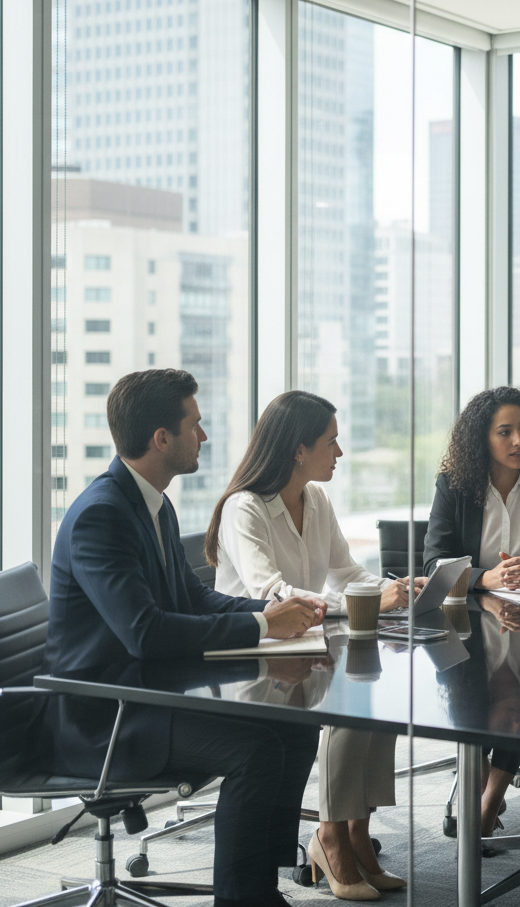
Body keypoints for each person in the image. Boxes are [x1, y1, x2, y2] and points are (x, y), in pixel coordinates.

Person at [42, 369, 326, 907]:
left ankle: (258, 887)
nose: (206, 436)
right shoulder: (101, 516)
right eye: (195, 425)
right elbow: (146, 633)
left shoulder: (153, 504)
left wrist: (271, 611)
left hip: (150, 693)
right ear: (161, 438)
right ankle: (243, 900)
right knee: (256, 748)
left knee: (292, 724)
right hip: (105, 716)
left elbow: (191, 600)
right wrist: (265, 626)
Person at [208, 390, 422, 901]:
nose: (339, 453)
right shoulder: (246, 508)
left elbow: (345, 573)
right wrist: (371, 598)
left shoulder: (316, 499)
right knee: (350, 707)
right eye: (332, 442)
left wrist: (393, 588)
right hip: (255, 664)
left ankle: (355, 833)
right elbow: (274, 593)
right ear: (298, 449)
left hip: (303, 652)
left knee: (376, 694)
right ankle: (330, 835)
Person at [423, 386, 520, 837]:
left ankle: (488, 802)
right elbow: (433, 562)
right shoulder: (455, 485)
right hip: (467, 618)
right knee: (487, 703)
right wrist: (489, 577)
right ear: (481, 439)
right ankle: (483, 793)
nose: (518, 441)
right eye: (504, 432)